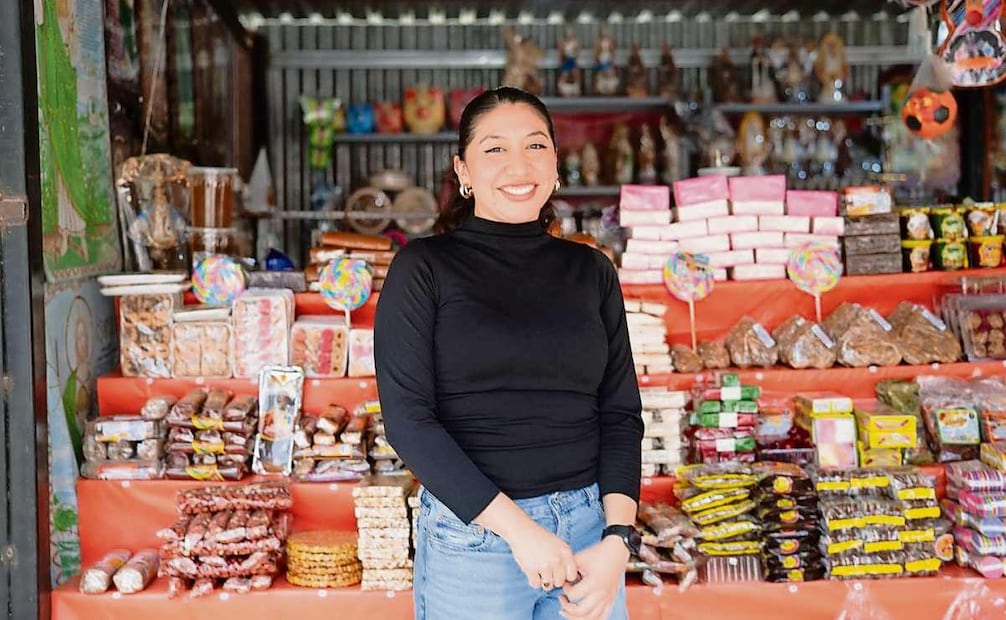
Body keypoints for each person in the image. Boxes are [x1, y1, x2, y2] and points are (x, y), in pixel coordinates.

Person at [375, 86, 643, 620]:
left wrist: (618, 541)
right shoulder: (423, 268)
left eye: (536, 146)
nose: (518, 165)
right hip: (477, 539)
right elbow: (408, 423)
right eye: (495, 149)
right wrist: (521, 532)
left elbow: (620, 414)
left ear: (556, 163)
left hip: (590, 534)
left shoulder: (592, 271)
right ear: (464, 170)